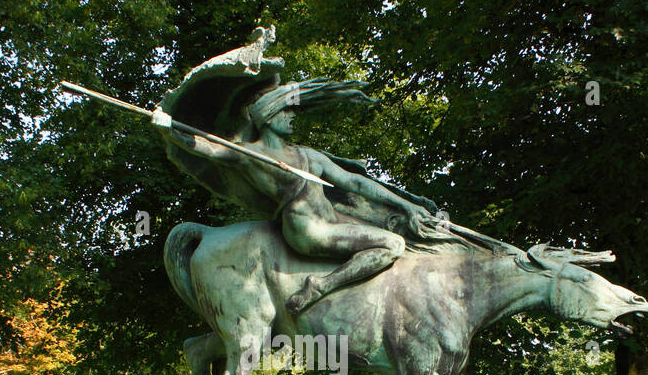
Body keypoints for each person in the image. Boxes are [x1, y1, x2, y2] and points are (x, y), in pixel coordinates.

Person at [151, 81, 437, 314]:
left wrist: (407, 205)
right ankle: (321, 287)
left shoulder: (307, 155)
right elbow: (209, 149)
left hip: (332, 221)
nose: (292, 117)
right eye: (286, 112)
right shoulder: (250, 154)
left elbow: (354, 181)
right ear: (269, 116)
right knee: (392, 244)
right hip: (307, 230)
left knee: (395, 233)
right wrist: (170, 129)